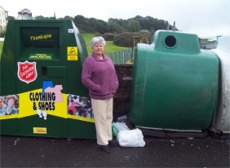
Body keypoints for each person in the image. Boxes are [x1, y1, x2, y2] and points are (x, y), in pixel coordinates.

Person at [81, 36, 119, 153]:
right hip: (98, 96)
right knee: (101, 119)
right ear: (92, 48)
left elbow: (114, 74)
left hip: (109, 94)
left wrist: (115, 85)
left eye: (101, 45)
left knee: (108, 117)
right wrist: (97, 88)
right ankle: (103, 143)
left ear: (103, 47)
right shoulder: (89, 61)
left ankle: (109, 138)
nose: (99, 47)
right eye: (96, 45)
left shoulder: (107, 58)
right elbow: (85, 79)